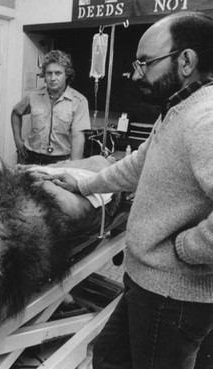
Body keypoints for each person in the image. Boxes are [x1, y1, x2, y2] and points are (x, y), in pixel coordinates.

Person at [46, 12, 213, 369]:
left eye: (146, 63)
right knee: (106, 359)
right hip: (146, 281)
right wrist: (84, 183)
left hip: (174, 294)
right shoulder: (176, 110)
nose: (137, 74)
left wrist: (189, 248)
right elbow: (137, 165)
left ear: (186, 61)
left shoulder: (205, 119)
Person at [11, 49, 90, 165]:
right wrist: (18, 140)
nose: (53, 78)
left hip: (60, 161)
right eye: (49, 73)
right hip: (30, 158)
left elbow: (78, 137)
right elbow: (15, 113)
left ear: (67, 74)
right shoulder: (33, 96)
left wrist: (73, 166)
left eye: (58, 73)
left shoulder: (79, 101)